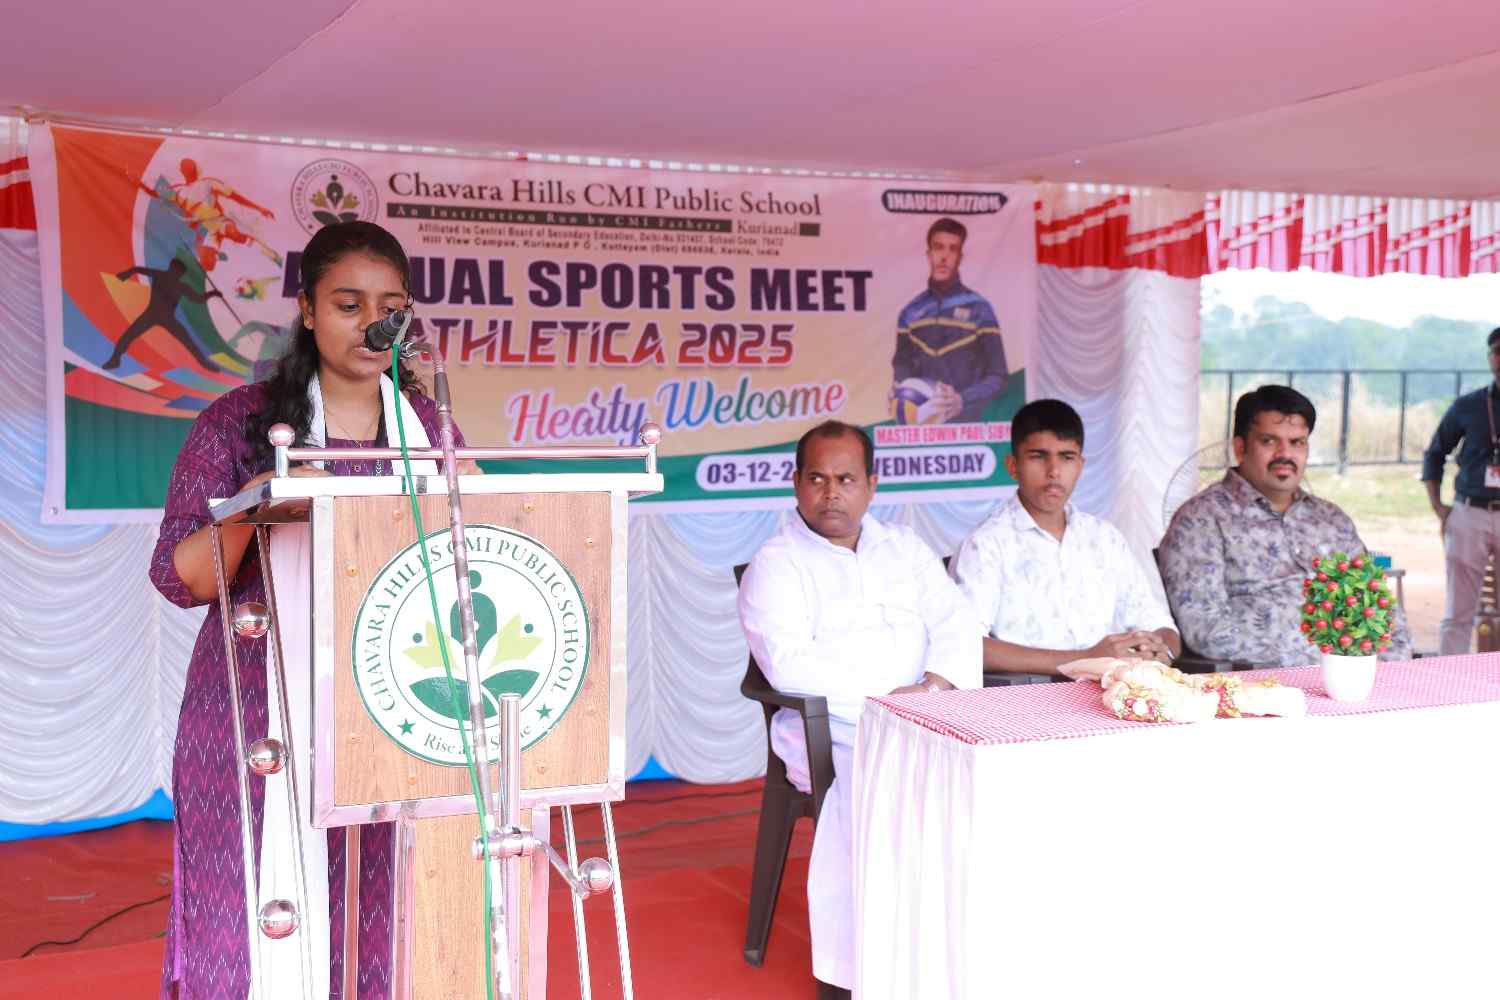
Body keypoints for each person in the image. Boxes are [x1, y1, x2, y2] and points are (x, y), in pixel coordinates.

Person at [148, 221, 466, 998]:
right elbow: (177, 578)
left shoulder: (430, 429)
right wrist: (260, 499)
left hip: (387, 708)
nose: (373, 324)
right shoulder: (240, 423)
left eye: (391, 307)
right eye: (350, 305)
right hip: (256, 712)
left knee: (377, 918)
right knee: (249, 917)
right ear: (308, 311)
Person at [737, 420, 980, 995]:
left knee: (986, 777)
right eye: (817, 479)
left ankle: (955, 950)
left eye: (846, 479)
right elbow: (787, 664)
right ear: (796, 484)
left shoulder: (904, 548)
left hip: (930, 711)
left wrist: (934, 687)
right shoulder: (777, 562)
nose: (831, 494)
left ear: (872, 484)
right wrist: (887, 705)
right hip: (834, 727)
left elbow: (956, 620)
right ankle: (863, 970)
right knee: (885, 782)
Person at [1159, 384, 1412, 666]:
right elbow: (1205, 629)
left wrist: (1392, 669)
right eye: (1269, 441)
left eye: (1297, 442)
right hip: (1266, 682)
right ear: (1240, 448)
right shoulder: (1200, 520)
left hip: (1355, 676)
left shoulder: (1331, 520)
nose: (1285, 454)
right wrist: (1318, 657)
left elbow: (1379, 610)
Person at [950, 399, 1180, 676]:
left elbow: (1162, 628)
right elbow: (965, 644)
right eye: (1038, 456)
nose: (1054, 471)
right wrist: (1084, 659)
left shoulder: (1105, 538)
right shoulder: (986, 544)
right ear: (1013, 466)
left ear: (1080, 466)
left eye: (1067, 457)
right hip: (1028, 697)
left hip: (1114, 691)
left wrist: (1159, 651)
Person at [1421, 328, 1500, 654]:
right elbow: (1434, 453)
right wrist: (1438, 507)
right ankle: (1448, 676)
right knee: (1458, 612)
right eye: (1497, 351)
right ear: (1490, 358)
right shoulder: (1469, 405)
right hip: (1470, 513)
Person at [891, 217, 1008, 423]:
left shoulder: (979, 308)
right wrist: (899, 390)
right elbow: (902, 366)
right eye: (938, 247)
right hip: (921, 430)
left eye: (952, 249)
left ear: (960, 257)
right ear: (929, 254)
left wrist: (962, 399)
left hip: (966, 428)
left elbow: (998, 376)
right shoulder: (910, 312)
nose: (944, 256)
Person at [104, 257, 225, 372]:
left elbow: (198, 299)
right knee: (130, 334)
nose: (178, 274)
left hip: (164, 317)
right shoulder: (169, 280)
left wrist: (213, 293)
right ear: (173, 269)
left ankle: (203, 362)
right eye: (178, 272)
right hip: (154, 315)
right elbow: (198, 299)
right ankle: (115, 359)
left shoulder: (173, 282)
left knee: (186, 340)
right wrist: (126, 273)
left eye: (179, 273)